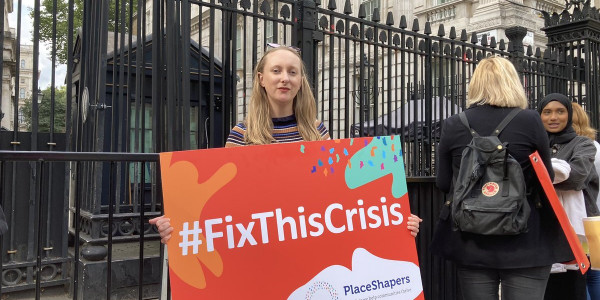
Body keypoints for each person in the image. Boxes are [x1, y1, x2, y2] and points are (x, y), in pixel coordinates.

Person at [150, 44, 422, 243]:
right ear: (261, 79)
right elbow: (220, 204)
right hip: (261, 250)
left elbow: (342, 197)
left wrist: (394, 218)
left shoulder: (318, 132)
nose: (285, 78)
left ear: (301, 82)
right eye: (276, 70)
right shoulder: (241, 134)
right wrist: (177, 226)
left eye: (293, 72)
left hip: (310, 245)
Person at [431, 56, 572, 300]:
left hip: (471, 239)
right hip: (526, 240)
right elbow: (545, 177)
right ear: (512, 83)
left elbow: (444, 183)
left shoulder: (454, 124)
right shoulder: (530, 120)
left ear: (475, 85)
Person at [538, 94, 598, 300]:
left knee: (573, 288)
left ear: (569, 114)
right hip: (541, 228)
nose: (553, 117)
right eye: (547, 112)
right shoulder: (535, 144)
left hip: (574, 231)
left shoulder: (583, 144)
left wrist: (539, 173)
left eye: (560, 111)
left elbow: (576, 178)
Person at [570, 101, 600, 300]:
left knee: (580, 271)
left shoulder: (572, 149)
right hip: (596, 220)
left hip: (579, 218)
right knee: (595, 272)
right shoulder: (596, 146)